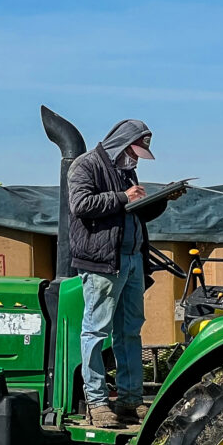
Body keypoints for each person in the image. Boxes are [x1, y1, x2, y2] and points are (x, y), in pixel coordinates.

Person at [68, 119, 183, 427]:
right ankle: (97, 402)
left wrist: (162, 200)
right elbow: (81, 204)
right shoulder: (85, 165)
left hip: (131, 260)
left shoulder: (125, 171)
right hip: (103, 263)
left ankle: (130, 402)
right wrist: (123, 197)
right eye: (135, 151)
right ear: (121, 143)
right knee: (95, 331)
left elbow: (136, 212)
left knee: (130, 331)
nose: (136, 159)